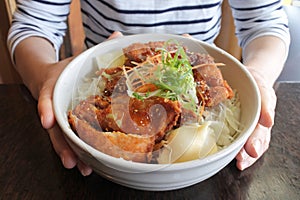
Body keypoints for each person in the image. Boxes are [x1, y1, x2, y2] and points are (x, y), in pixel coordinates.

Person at [7, 0, 290, 176]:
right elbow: (33, 26)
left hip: (199, 78)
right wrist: (45, 75)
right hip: (104, 78)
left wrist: (258, 77)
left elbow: (265, 23)